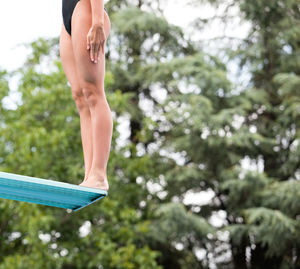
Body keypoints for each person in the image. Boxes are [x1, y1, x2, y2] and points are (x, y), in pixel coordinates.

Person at [59, 0, 112, 191]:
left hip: (87, 8)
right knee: (80, 97)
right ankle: (89, 175)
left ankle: (99, 174)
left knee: (93, 91)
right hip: (68, 13)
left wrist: (97, 21)